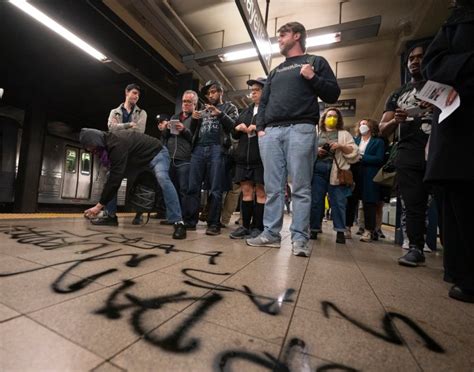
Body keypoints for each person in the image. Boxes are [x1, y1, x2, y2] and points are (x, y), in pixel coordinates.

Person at [246, 21, 340, 257]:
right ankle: (271, 234)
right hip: (271, 133)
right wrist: (260, 129)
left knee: (300, 187)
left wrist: (312, 78)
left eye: (282, 35)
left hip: (301, 128)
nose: (279, 39)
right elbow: (264, 102)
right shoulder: (275, 71)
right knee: (273, 188)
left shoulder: (315, 62)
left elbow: (333, 93)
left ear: (297, 36)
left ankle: (300, 238)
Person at [422, 0, 474, 302]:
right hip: (459, 116)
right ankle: (460, 268)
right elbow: (435, 63)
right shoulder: (457, 20)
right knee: (457, 195)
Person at [379, 43, 432, 267]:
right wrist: (395, 121)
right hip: (408, 150)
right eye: (411, 58)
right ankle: (415, 247)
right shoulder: (398, 93)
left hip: (438, 146)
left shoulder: (439, 87)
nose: (415, 61)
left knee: (449, 200)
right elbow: (381, 129)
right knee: (413, 202)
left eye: (420, 57)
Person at [80, 128, 186, 239]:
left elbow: (115, 180)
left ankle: (178, 222)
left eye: (91, 148)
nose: (92, 151)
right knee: (110, 176)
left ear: (96, 141)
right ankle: (110, 216)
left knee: (162, 178)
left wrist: (98, 206)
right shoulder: (107, 143)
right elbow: (114, 176)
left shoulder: (116, 145)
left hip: (156, 153)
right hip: (136, 159)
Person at [183, 80, 238, 235]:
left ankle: (213, 223)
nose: (210, 95)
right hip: (199, 149)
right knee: (193, 187)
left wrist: (220, 113)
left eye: (213, 91)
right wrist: (193, 119)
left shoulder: (229, 107)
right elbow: (193, 133)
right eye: (208, 93)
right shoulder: (202, 109)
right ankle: (190, 221)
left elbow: (234, 127)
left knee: (215, 189)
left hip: (217, 148)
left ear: (220, 92)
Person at [93, 83, 147, 226]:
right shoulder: (114, 112)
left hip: (134, 153)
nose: (136, 96)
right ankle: (110, 215)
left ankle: (139, 213)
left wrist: (120, 127)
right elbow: (111, 129)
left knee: (136, 184)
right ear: (127, 93)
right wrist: (129, 125)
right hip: (119, 153)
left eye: (138, 94)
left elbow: (139, 132)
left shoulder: (142, 113)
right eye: (134, 93)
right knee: (112, 180)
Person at [310, 108, 359, 244]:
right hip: (317, 171)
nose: (332, 118)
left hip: (337, 172)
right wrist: (316, 151)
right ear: (324, 118)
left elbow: (355, 153)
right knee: (316, 201)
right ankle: (314, 228)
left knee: (339, 202)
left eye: (335, 116)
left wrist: (341, 146)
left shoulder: (344, 134)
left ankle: (340, 231)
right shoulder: (316, 133)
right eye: (329, 116)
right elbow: (306, 151)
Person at [230, 77, 267, 239]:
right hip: (243, 157)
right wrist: (237, 128)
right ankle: (245, 226)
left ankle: (257, 227)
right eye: (251, 90)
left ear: (266, 92)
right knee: (246, 191)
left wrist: (258, 127)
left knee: (260, 192)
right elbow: (234, 134)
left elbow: (275, 131)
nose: (253, 93)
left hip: (262, 158)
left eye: (257, 90)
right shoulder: (245, 111)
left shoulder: (270, 110)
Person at [345, 119, 385, 242]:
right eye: (361, 124)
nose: (362, 126)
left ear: (371, 127)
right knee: (351, 201)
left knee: (369, 203)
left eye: (365, 124)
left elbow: (379, 159)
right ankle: (347, 227)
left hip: (370, 175)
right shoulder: (355, 140)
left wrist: (362, 157)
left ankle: (368, 230)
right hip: (355, 173)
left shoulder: (378, 142)